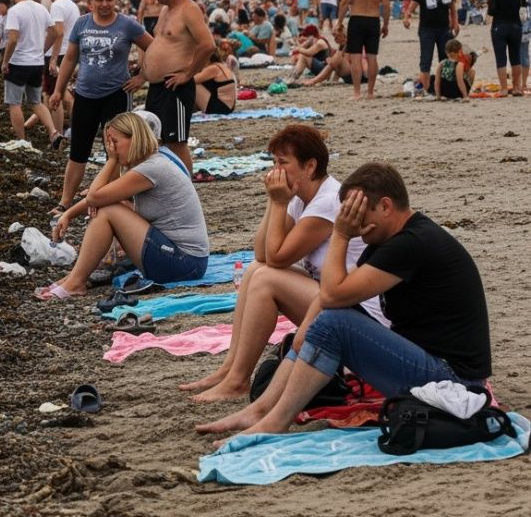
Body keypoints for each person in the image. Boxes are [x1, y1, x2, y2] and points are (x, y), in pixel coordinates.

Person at [199, 163, 491, 440]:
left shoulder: (411, 243)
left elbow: (331, 294)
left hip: (452, 381)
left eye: (358, 215)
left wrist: (339, 233)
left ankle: (274, 421)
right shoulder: (391, 239)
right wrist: (306, 330)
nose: (356, 225)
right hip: (431, 364)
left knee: (332, 324)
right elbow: (337, 297)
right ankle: (261, 410)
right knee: (326, 318)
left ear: (386, 207)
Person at [182, 126, 382, 401]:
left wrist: (278, 204)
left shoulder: (326, 202)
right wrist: (274, 201)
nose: (276, 171)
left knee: (266, 280)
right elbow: (262, 254)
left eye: (283, 163)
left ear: (310, 166)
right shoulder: (302, 198)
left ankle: (238, 381)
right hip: (329, 297)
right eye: (274, 162)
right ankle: (230, 369)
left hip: (360, 314)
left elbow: (277, 257)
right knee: (255, 271)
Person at [35, 112, 208, 300]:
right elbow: (103, 195)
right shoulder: (149, 162)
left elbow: (95, 196)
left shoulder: (151, 168)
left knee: (109, 210)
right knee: (110, 205)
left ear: (134, 139)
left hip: (185, 264)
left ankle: (75, 282)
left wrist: (112, 160)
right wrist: (68, 214)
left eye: (115, 143)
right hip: (182, 259)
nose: (112, 149)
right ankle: (73, 279)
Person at [50, 0, 152, 212]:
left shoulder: (127, 25)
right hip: (85, 96)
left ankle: (114, 199)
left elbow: (153, 47)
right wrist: (58, 90)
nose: (105, 4)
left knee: (116, 152)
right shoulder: (82, 24)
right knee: (78, 151)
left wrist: (142, 76)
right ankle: (64, 202)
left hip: (116, 94)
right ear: (90, 1)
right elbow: (70, 59)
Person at [143, 0, 215, 172]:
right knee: (155, 140)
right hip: (157, 87)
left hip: (175, 86)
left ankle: (186, 188)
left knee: (176, 142)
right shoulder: (166, 10)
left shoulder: (189, 9)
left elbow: (208, 45)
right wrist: (143, 73)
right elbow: (160, 44)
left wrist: (187, 74)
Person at [2, 0, 64, 145]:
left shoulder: (14, 11)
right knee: (36, 102)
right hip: (37, 63)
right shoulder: (40, 8)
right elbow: (54, 32)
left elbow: (13, 39)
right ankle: (53, 132)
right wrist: (41, 50)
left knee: (14, 103)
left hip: (18, 63)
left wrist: (5, 62)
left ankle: (22, 141)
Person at [336, 0, 391, 99]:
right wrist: (385, 25)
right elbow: (386, 5)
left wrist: (339, 22)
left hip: (357, 19)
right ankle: (371, 93)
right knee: (372, 58)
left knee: (356, 57)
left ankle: (357, 92)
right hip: (373, 20)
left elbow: (344, 2)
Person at [401, 0, 460, 92]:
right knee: (425, 60)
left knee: (446, 60)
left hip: (444, 29)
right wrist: (406, 17)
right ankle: (427, 90)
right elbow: (411, 6)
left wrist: (455, 24)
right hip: (426, 30)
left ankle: (444, 88)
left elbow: (453, 9)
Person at [44, 0, 82, 134]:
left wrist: (52, 58)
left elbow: (58, 32)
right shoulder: (72, 5)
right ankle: (78, 129)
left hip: (59, 54)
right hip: (70, 52)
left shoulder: (57, 5)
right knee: (63, 95)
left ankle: (58, 135)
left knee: (56, 96)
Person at [486, 0, 527, 95]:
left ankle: (504, 88)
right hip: (516, 26)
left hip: (499, 26)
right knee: (515, 57)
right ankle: (516, 87)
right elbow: (524, 10)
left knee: (501, 57)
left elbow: (491, 11)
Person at [193, 45, 237, 115]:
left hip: (220, 107)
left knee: (191, 85)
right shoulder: (220, 65)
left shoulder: (213, 68)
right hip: (227, 107)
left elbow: (190, 81)